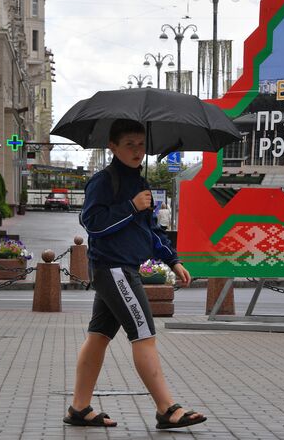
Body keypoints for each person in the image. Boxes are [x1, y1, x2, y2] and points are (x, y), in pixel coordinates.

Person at [63, 119, 206, 430]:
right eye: (129, 144)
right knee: (144, 335)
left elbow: (149, 230)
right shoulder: (104, 181)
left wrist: (173, 260)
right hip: (114, 270)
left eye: (141, 144)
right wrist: (130, 206)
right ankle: (166, 408)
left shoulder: (139, 184)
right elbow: (93, 224)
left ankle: (79, 408)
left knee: (98, 337)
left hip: (120, 269)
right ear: (112, 146)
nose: (137, 151)